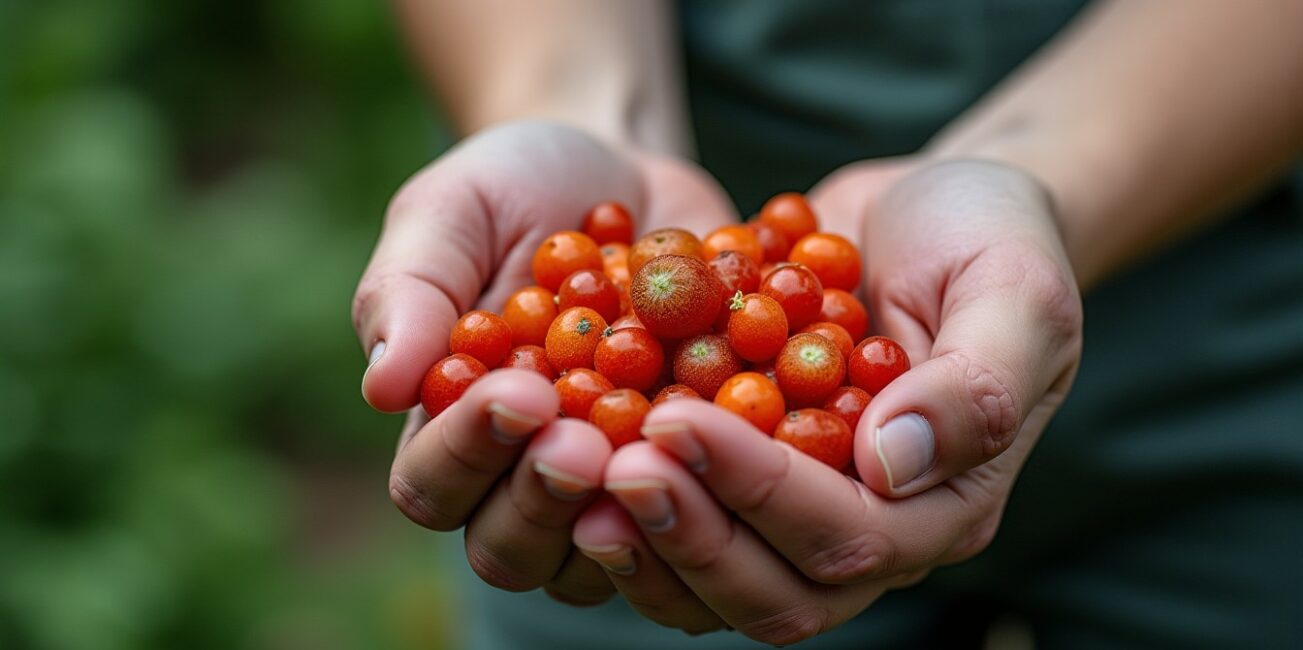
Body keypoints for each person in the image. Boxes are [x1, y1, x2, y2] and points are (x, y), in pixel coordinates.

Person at [352, 1, 1303, 647]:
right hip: (647, 522)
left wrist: (1042, 173)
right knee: (622, 525)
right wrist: (571, 105)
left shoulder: (778, 327)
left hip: (1242, 332)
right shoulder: (643, 330)